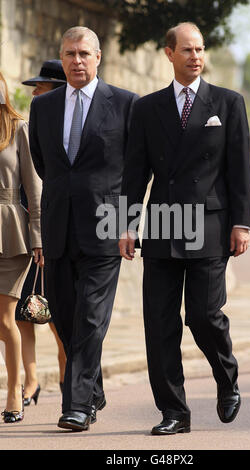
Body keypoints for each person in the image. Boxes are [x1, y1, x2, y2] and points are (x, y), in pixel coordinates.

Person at [119, 22, 250, 435]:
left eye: (200, 49)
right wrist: (126, 224)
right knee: (159, 323)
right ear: (169, 54)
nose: (196, 56)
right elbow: (134, 173)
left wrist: (242, 223)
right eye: (187, 50)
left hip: (209, 226)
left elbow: (239, 169)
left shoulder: (228, 103)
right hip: (161, 224)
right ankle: (174, 413)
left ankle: (226, 376)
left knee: (203, 315)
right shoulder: (145, 108)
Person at [29, 26, 138, 431]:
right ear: (63, 56)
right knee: (65, 317)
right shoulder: (43, 108)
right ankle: (92, 388)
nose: (77, 60)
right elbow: (43, 163)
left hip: (105, 227)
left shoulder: (126, 104)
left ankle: (76, 405)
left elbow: (136, 169)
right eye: (70, 54)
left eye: (84, 54)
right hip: (58, 226)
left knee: (91, 317)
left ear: (98, 58)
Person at [16, 60, 67, 406]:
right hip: (28, 236)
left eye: (42, 87)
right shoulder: (32, 125)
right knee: (25, 312)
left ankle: (69, 385)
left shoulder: (70, 128)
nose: (35, 93)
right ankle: (31, 380)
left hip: (55, 234)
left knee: (59, 320)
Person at [0, 72, 43, 423]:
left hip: (11, 233)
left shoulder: (18, 128)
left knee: (5, 317)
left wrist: (39, 237)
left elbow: (34, 186)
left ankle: (15, 390)